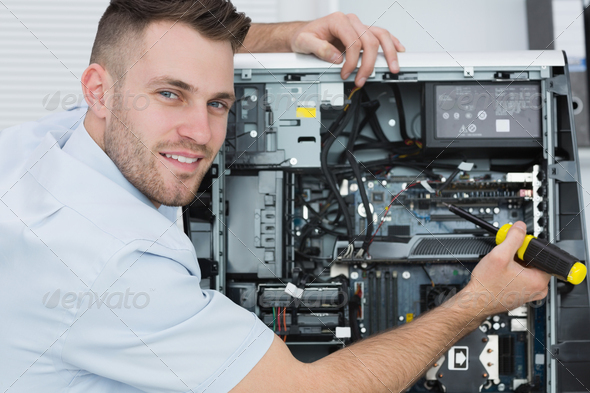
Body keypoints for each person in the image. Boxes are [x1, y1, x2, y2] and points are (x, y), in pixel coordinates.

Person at [0, 1, 549, 392]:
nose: (199, 131)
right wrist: (478, 302)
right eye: (171, 95)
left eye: (218, 102)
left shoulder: (52, 141)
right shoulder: (109, 265)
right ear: (100, 89)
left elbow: (190, 53)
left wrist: (288, 34)